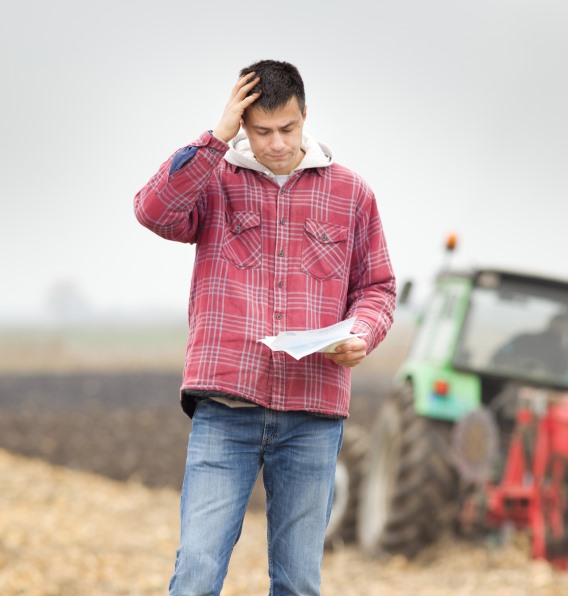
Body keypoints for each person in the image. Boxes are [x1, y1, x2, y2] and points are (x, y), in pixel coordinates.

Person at [134, 59, 396, 595]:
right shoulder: (213, 180)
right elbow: (153, 212)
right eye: (261, 131)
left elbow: (377, 289)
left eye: (288, 129)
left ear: (306, 116)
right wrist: (215, 138)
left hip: (312, 415)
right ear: (244, 124)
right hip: (225, 409)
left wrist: (363, 334)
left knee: (298, 582)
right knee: (197, 572)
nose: (276, 143)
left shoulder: (352, 194)